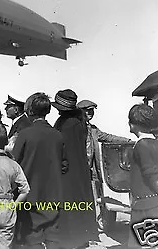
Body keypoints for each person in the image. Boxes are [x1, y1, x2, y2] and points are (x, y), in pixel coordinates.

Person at [13, 93, 65, 249]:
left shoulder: (25, 134)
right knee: (53, 236)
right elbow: (64, 165)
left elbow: (14, 164)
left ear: (29, 111)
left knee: (32, 238)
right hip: (54, 195)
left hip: (30, 196)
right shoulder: (58, 135)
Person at [77, 99, 133, 229]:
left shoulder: (93, 129)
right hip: (77, 169)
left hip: (91, 171)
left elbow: (109, 137)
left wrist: (128, 141)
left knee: (95, 197)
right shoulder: (75, 129)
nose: (90, 113)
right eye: (87, 110)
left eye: (92, 111)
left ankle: (95, 222)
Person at [52, 89, 97, 248]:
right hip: (79, 171)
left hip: (68, 172)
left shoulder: (67, 124)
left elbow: (62, 150)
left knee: (69, 211)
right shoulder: (76, 122)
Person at [127, 104, 158, 248]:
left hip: (145, 206)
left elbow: (151, 175)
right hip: (155, 205)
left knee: (142, 244)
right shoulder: (156, 143)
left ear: (134, 124)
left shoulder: (141, 145)